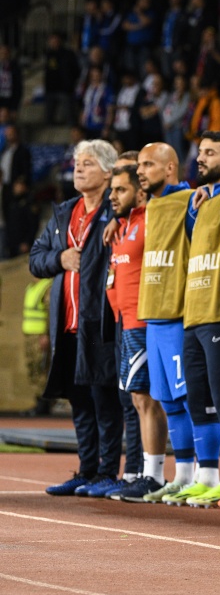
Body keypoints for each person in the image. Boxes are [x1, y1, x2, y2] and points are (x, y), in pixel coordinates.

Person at [32, 140, 123, 497]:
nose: (78, 168)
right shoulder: (63, 213)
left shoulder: (114, 213)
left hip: (99, 323)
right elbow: (36, 259)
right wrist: (61, 259)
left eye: (87, 163)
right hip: (66, 325)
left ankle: (106, 471)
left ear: (107, 172)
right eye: (76, 163)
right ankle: (86, 470)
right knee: (79, 400)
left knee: (104, 400)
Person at [168, 133, 220, 506]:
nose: (201, 159)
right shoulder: (199, 202)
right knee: (197, 398)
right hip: (193, 312)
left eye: (210, 152)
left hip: (219, 312)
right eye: (200, 152)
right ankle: (205, 475)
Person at [135, 143, 200, 503]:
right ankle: (182, 474)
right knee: (168, 401)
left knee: (187, 398)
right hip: (153, 316)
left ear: (170, 167)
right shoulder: (152, 204)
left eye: (148, 164)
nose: (141, 171)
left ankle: (202, 473)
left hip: (177, 315)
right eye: (140, 165)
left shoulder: (189, 199)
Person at [104, 160, 169, 502]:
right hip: (124, 321)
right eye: (112, 190)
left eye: (120, 190)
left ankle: (153, 475)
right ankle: (145, 472)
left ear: (140, 191)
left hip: (144, 321)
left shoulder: (152, 219)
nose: (112, 196)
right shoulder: (122, 224)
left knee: (146, 399)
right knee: (136, 400)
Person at [44, 32, 80, 126]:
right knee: (49, 115)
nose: (54, 42)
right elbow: (48, 72)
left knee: (69, 114)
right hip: (51, 88)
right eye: (52, 40)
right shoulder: (49, 54)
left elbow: (75, 70)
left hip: (65, 88)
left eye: (55, 39)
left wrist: (70, 83)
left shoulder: (68, 54)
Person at [0, 44, 23, 114]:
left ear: (9, 54)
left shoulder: (14, 66)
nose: (3, 55)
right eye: (1, 53)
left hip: (9, 99)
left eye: (5, 53)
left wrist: (14, 108)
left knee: (9, 122)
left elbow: (18, 87)